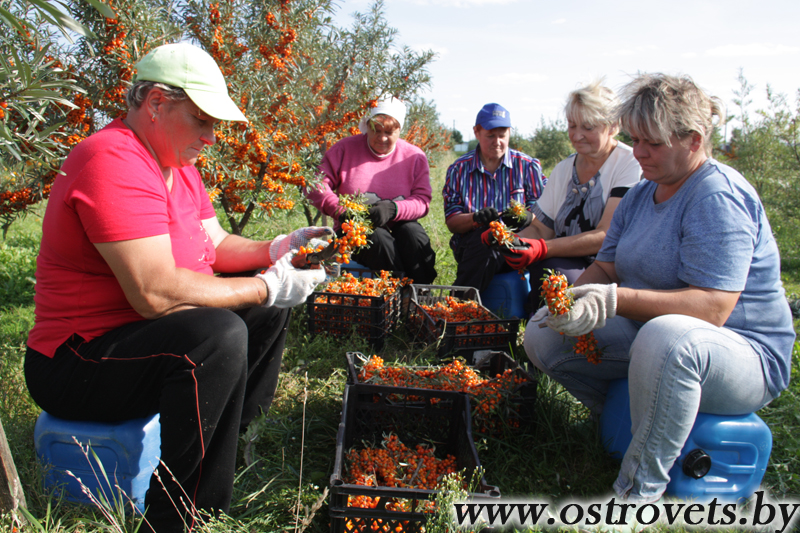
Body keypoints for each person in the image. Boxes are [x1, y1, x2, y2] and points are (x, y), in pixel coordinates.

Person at [23, 42, 330, 533]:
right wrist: (265, 287)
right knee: (218, 335)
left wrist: (278, 248)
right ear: (158, 104)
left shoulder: (178, 167)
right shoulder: (112, 160)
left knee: (265, 313)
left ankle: (235, 438)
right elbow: (156, 293)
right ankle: (184, 516)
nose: (211, 137)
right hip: (76, 360)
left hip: (141, 337)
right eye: (202, 120)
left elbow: (216, 245)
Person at [525, 73, 795, 504]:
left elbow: (710, 309)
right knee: (543, 331)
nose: (639, 152)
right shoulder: (641, 194)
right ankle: (622, 421)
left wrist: (614, 300)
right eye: (636, 139)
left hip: (743, 352)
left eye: (653, 142)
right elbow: (606, 266)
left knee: (667, 338)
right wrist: (571, 299)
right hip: (656, 337)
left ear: (692, 140)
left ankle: (638, 492)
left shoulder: (715, 196)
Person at [508, 81, 641, 313]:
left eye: (588, 127)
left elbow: (605, 235)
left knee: (553, 274)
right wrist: (509, 242)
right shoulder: (564, 169)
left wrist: (541, 249)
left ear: (612, 126)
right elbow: (541, 229)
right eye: (572, 126)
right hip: (565, 258)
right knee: (490, 255)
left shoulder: (629, 163)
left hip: (610, 268)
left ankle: (562, 336)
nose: (577, 135)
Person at [304, 96, 437, 284]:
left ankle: (421, 292)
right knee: (378, 240)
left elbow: (422, 201)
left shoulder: (414, 157)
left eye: (389, 132)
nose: (382, 138)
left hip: (399, 224)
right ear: (367, 125)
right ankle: (398, 293)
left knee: (413, 236)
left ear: (400, 130)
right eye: (376, 130)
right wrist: (342, 211)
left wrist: (394, 209)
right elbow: (315, 185)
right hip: (354, 228)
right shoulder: (344, 149)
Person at [443, 103, 546, 292]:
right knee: (486, 239)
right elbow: (452, 222)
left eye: (502, 135)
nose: (497, 142)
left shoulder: (528, 166)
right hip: (472, 246)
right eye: (490, 135)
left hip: (519, 240)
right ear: (477, 132)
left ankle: (457, 305)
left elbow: (546, 217)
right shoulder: (459, 170)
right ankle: (460, 305)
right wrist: (475, 218)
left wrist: (526, 217)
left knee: (496, 242)